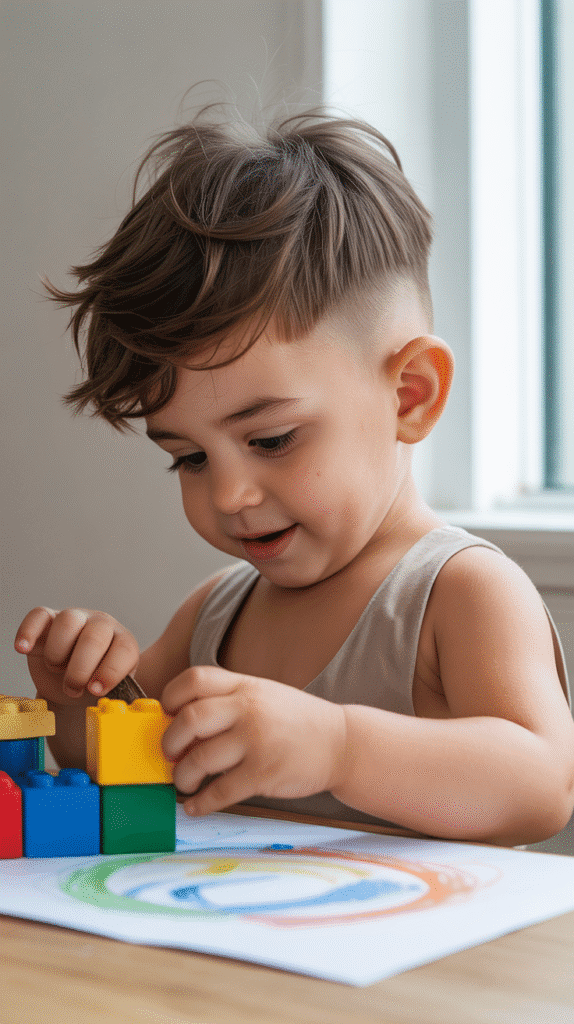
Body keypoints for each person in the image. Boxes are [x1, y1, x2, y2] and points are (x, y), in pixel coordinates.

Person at [15, 103, 574, 846]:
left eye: (272, 440)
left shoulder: (460, 592)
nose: (228, 495)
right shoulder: (216, 613)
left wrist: (339, 748)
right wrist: (80, 702)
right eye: (189, 457)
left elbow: (543, 785)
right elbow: (136, 771)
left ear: (410, 396)